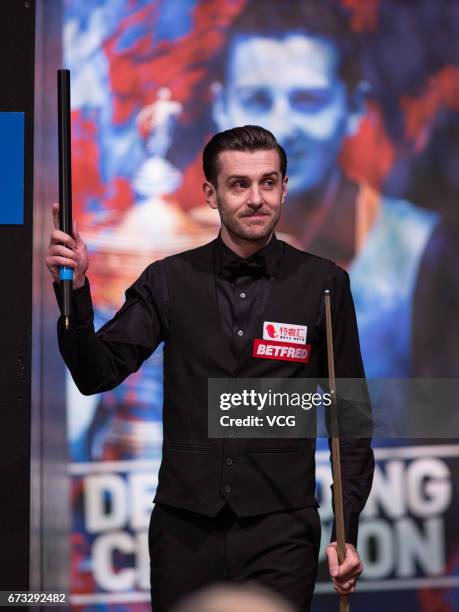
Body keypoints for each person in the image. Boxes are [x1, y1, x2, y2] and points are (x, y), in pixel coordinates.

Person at [46, 125, 374, 612]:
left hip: (281, 529)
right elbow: (97, 373)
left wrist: (347, 528)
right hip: (185, 531)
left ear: (284, 187)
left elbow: (349, 418)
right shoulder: (168, 280)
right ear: (211, 193)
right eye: (239, 184)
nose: (256, 198)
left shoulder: (324, 283)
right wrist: (72, 292)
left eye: (268, 182)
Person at [207, 0, 439, 378]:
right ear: (222, 107)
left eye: (308, 101)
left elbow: (441, 422)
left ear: (354, 107)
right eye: (257, 100)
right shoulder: (176, 248)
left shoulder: (420, 251)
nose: (281, 127)